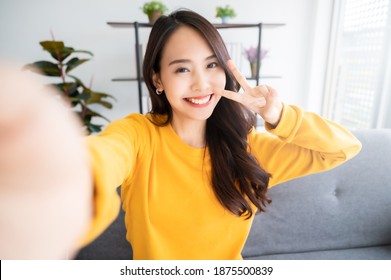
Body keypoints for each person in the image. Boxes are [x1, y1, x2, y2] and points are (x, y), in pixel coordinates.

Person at [0, 9, 361, 260]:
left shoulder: (249, 148)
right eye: (182, 68)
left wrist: (277, 115)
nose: (202, 83)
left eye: (212, 65)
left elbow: (342, 148)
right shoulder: (138, 136)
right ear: (158, 79)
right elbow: (100, 158)